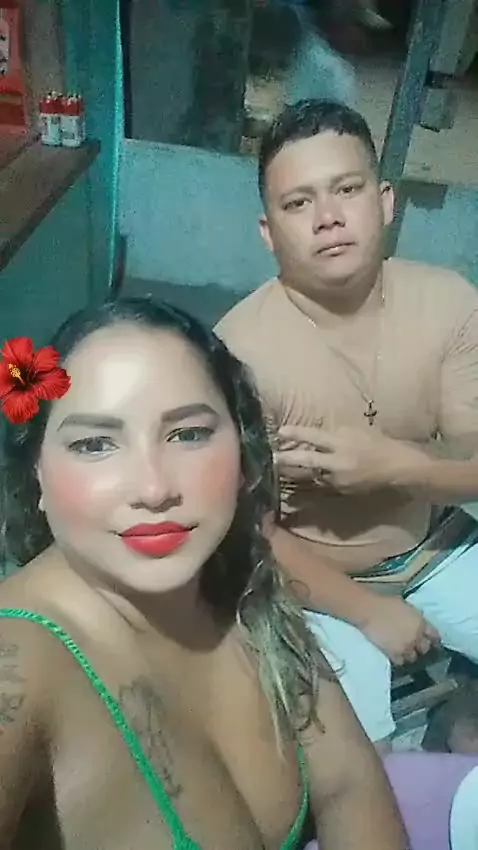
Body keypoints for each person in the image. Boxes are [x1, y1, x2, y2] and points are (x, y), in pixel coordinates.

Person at [0, 298, 407, 849]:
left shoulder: (241, 587)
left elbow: (348, 785)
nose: (153, 489)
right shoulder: (19, 661)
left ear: (243, 451)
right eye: (95, 444)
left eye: (188, 434)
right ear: (38, 477)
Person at [215, 99, 478, 749]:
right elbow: (247, 531)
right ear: (268, 232)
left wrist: (398, 467)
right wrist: (368, 611)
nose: (327, 217)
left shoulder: (448, 301)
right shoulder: (237, 355)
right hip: (314, 584)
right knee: (354, 759)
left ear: (385, 202)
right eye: (298, 203)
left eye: (347, 190)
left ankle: (460, 716)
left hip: (437, 547)